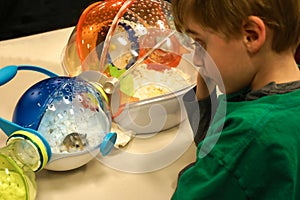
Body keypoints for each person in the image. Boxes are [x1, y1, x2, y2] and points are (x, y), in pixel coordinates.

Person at [171, 0, 300, 199]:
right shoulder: (277, 99)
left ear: (251, 35)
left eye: (200, 44)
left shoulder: (248, 137)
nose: (196, 59)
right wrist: (205, 91)